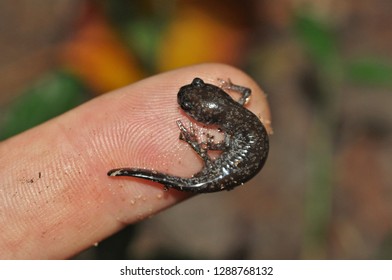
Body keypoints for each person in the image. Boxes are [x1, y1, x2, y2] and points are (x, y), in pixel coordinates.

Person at [0, 63, 271, 259]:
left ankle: (191, 151)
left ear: (209, 119)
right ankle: (192, 152)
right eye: (198, 84)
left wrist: (205, 146)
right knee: (208, 164)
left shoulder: (231, 124)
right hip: (230, 163)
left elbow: (231, 130)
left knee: (206, 167)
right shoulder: (236, 114)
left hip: (224, 169)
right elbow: (243, 98)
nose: (186, 100)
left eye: (190, 109)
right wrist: (211, 140)